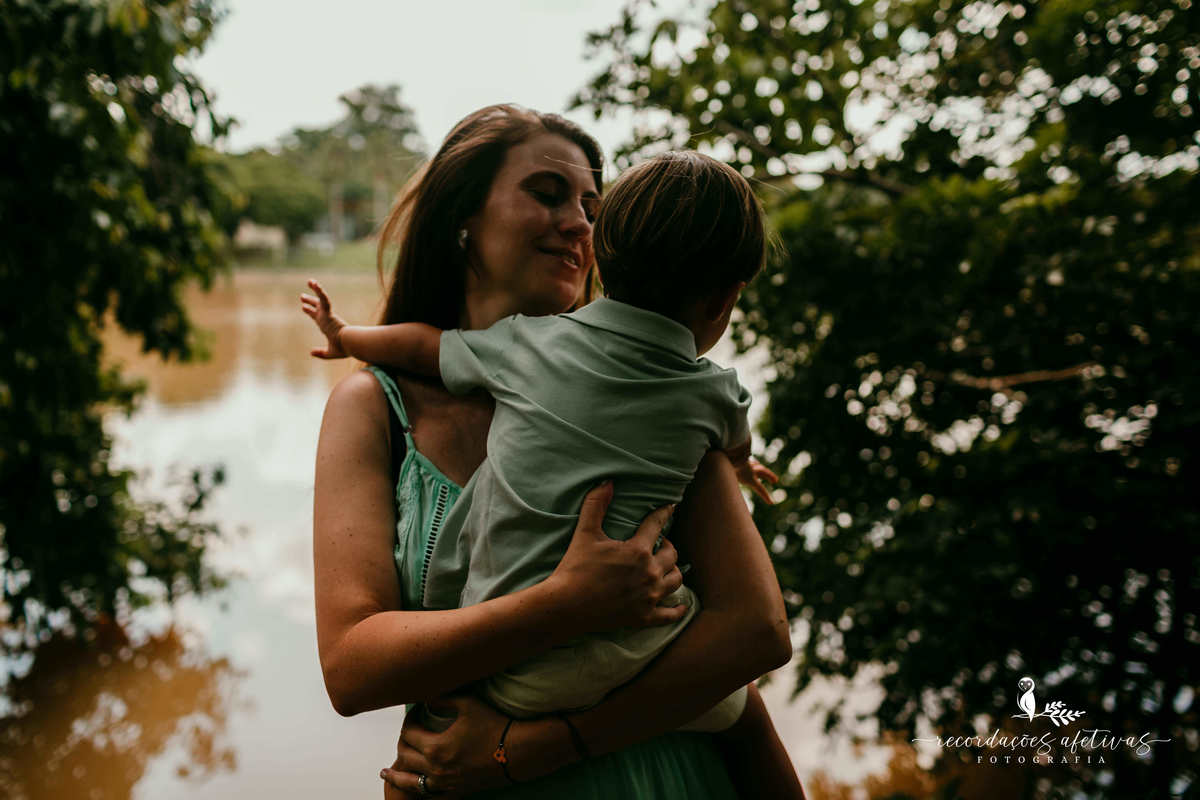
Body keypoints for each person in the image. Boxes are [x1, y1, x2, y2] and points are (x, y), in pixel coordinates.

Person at [311, 104, 804, 798]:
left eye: (593, 207)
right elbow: (353, 668)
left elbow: (752, 636)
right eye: (547, 195)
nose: (580, 223)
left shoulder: (656, 396)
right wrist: (567, 603)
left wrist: (541, 745)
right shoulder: (376, 410)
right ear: (463, 217)